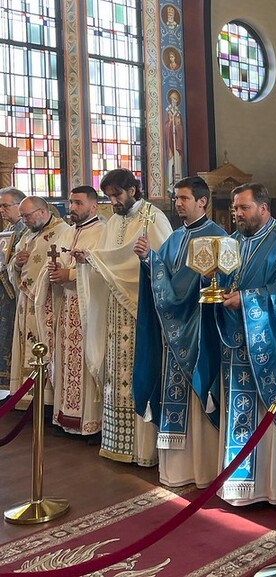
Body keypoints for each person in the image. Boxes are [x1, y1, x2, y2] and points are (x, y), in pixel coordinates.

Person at [194, 183, 276, 505]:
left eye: (243, 208)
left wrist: (247, 300)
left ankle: (274, 488)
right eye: (235, 208)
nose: (237, 214)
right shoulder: (231, 242)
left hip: (270, 345)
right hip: (235, 343)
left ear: (263, 208)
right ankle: (239, 485)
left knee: (267, 414)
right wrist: (210, 280)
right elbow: (222, 279)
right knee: (239, 411)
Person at [74, 168, 172, 466]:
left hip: (141, 309)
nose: (113, 202)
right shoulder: (114, 221)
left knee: (139, 371)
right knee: (116, 374)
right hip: (115, 309)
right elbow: (107, 258)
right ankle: (116, 441)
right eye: (108, 196)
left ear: (132, 190)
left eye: (116, 195)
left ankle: (143, 448)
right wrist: (89, 259)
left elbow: (166, 263)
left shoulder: (153, 218)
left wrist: (142, 258)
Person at [133, 176, 224, 488]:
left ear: (202, 201)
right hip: (173, 336)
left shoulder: (218, 237)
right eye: (176, 198)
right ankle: (177, 469)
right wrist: (148, 259)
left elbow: (196, 288)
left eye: (184, 198)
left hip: (200, 334)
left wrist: (154, 263)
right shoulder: (174, 238)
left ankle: (204, 469)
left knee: (198, 399)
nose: (178, 203)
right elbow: (164, 279)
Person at [36, 186, 105, 442]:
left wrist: (71, 274)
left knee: (87, 364)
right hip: (66, 306)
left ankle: (90, 423)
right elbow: (55, 262)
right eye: (70, 202)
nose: (72, 207)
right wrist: (53, 271)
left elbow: (103, 270)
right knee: (65, 363)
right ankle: (65, 417)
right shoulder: (68, 232)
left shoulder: (102, 232)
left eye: (78, 203)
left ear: (94, 206)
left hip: (89, 309)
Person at [8, 197, 69, 406]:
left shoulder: (63, 232)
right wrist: (16, 264)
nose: (24, 220)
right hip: (26, 302)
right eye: (22, 216)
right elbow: (14, 266)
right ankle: (25, 397)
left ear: (42, 211)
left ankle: (47, 400)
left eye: (27, 216)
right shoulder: (27, 234)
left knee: (45, 344)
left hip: (48, 301)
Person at [0, 187, 26, 391]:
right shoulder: (9, 230)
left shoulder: (26, 231)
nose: (1, 210)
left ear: (19, 205)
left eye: (5, 206)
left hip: (16, 296)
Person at [165, 90, 184, 187]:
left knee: (178, 162)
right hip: (171, 141)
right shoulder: (168, 111)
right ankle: (170, 185)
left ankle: (178, 183)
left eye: (176, 99)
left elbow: (181, 127)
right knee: (171, 161)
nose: (174, 101)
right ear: (170, 100)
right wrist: (170, 123)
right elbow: (166, 125)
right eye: (173, 99)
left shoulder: (178, 112)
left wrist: (177, 126)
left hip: (177, 141)